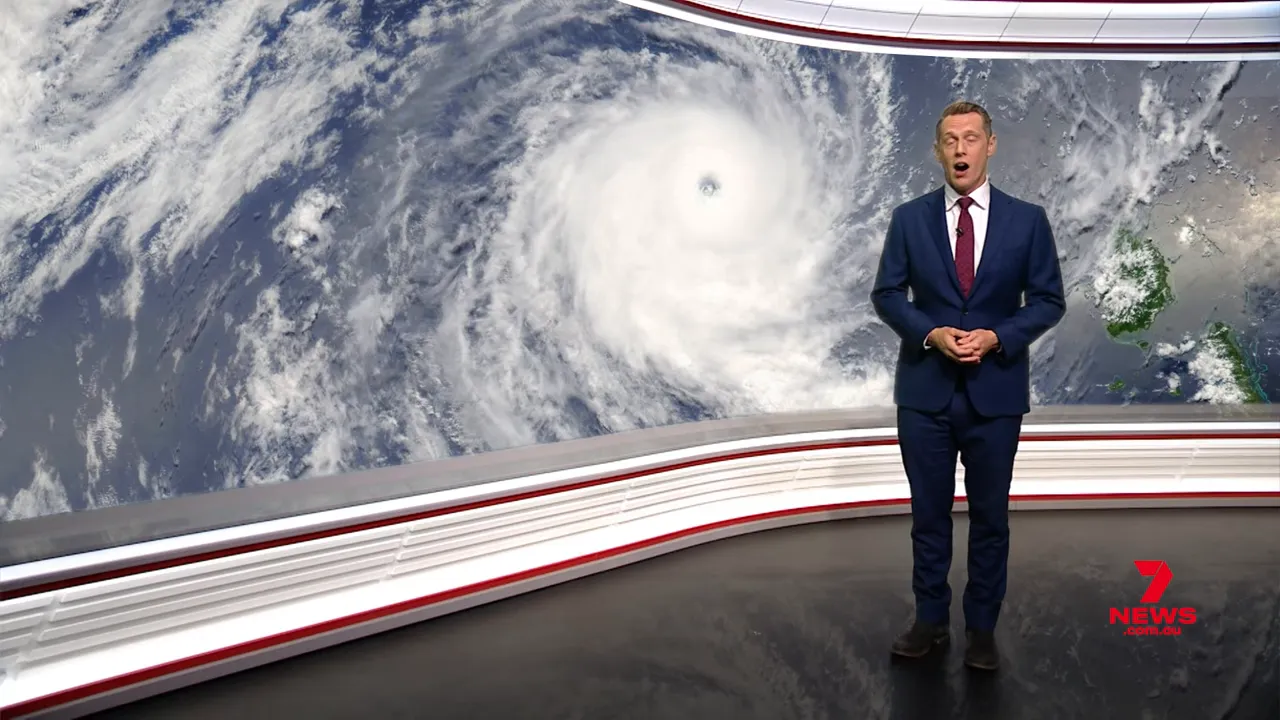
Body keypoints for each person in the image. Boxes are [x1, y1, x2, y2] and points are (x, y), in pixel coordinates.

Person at [869, 100, 1066, 670]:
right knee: (927, 515)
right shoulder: (909, 219)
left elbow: (1049, 300)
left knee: (990, 517)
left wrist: (997, 338)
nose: (960, 149)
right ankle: (930, 621)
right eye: (950, 140)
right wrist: (930, 332)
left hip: (995, 392)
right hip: (925, 396)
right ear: (938, 150)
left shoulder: (1027, 220)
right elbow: (887, 295)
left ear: (990, 145)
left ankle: (982, 628)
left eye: (971, 138)